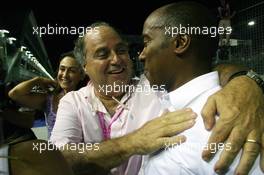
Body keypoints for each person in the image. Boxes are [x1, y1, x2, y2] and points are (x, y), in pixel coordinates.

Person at [50, 21, 264, 175]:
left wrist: (245, 81)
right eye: (102, 54)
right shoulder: (73, 102)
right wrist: (132, 143)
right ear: (84, 66)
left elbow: (203, 70)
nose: (116, 60)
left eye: (122, 50)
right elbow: (59, 159)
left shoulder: (154, 86)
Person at [136, 1, 263, 174]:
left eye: (147, 42)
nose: (142, 55)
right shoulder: (172, 100)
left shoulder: (225, 125)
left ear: (180, 42)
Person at [8, 51, 86, 138]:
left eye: (72, 71)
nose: (65, 75)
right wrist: (38, 80)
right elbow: (14, 94)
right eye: (62, 69)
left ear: (82, 75)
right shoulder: (49, 99)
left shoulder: (87, 99)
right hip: (53, 151)